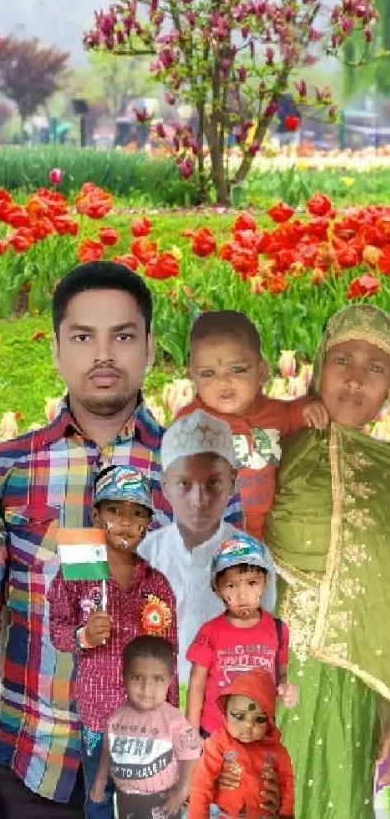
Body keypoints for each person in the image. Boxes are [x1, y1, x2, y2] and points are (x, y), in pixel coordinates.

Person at [0, 261, 177, 819]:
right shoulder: (5, 473)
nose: (103, 354)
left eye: (122, 335)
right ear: (56, 349)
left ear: (148, 347)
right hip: (33, 766)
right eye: (82, 336)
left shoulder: (193, 476)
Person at [264, 304, 390, 818]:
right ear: (317, 368)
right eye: (344, 359)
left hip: (355, 682)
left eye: (376, 367)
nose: (357, 379)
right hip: (269, 666)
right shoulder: (276, 445)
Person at [48, 464, 178, 818]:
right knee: (99, 793)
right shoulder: (77, 573)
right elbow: (57, 630)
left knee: (148, 798)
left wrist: (172, 715)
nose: (125, 520)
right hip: (98, 716)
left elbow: (170, 657)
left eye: (137, 512)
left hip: (148, 718)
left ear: (148, 522)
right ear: (96, 514)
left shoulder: (158, 585)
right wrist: (84, 636)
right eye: (114, 510)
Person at [139, 409, 277, 687]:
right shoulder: (146, 555)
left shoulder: (252, 557)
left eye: (213, 483)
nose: (199, 499)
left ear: (233, 482)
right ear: (165, 487)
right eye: (184, 484)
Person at [176, 310, 328, 540]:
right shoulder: (191, 422)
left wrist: (308, 408)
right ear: (193, 378)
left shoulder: (274, 414)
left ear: (261, 372)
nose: (223, 381)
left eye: (237, 369)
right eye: (208, 373)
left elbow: (294, 413)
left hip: (262, 530)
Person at [186, 532, 298, 740]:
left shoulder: (278, 629)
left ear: (265, 582)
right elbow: (196, 684)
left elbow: (281, 674)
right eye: (232, 585)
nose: (242, 595)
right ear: (217, 589)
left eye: (251, 583)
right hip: (214, 736)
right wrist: (192, 735)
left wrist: (287, 689)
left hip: (257, 736)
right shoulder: (209, 632)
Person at [91, 635, 201, 818]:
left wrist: (182, 791)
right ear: (124, 677)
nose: (146, 688)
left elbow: (190, 756)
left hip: (162, 800)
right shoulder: (115, 719)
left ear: (169, 681)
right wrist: (101, 779)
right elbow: (107, 749)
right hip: (125, 798)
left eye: (157, 679)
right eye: (137, 677)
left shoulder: (174, 720)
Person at [188, 668, 294, 819]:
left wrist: (286, 814)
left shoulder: (277, 751)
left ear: (270, 721)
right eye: (239, 716)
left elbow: (287, 784)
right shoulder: (218, 743)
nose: (248, 726)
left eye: (260, 719)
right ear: (225, 711)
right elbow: (201, 782)